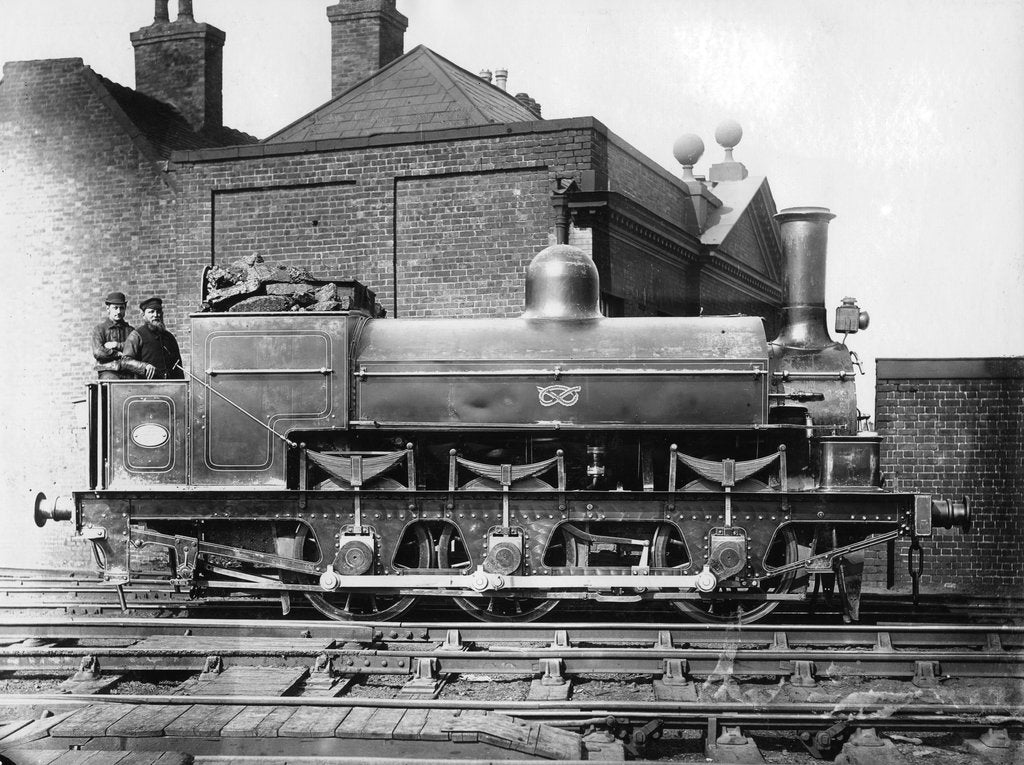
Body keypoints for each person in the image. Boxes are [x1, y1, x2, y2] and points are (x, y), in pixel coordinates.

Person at [121, 297, 185, 380]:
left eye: (158, 311)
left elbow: (178, 366)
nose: (155, 315)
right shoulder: (136, 335)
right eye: (151, 312)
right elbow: (125, 361)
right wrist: (144, 366)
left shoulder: (169, 337)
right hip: (146, 386)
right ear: (143, 315)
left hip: (170, 386)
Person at [91, 291, 135, 380]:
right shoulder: (99, 329)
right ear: (108, 309)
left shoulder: (131, 330)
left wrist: (116, 345)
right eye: (115, 308)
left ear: (125, 309)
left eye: (121, 308)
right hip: (108, 371)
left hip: (128, 371)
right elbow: (98, 352)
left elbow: (135, 350)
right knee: (112, 382)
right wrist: (118, 354)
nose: (118, 311)